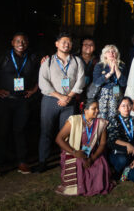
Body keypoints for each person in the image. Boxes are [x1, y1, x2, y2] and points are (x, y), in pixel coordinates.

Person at [0, 32, 39, 177]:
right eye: (17, 41)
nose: (20, 43)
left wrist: (34, 89)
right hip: (4, 100)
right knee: (1, 132)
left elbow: (41, 74)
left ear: (27, 43)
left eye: (23, 41)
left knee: (20, 131)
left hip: (22, 101)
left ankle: (22, 162)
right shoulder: (3, 57)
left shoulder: (33, 58)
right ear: (12, 42)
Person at [38, 32, 86, 173]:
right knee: (46, 131)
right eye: (63, 42)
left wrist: (69, 97)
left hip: (69, 101)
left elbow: (80, 80)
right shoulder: (48, 61)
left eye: (69, 42)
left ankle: (64, 160)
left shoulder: (77, 61)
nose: (66, 44)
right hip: (50, 100)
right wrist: (59, 96)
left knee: (66, 133)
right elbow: (43, 82)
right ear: (57, 44)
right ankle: (43, 161)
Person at [55, 100, 113, 195]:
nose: (97, 111)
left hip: (92, 153)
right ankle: (82, 187)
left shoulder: (101, 123)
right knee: (80, 162)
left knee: (100, 163)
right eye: (94, 108)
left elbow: (102, 144)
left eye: (98, 108)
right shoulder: (74, 120)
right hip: (74, 151)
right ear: (85, 110)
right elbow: (59, 139)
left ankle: (94, 187)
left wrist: (92, 158)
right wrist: (74, 152)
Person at [106, 97, 134, 183]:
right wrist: (127, 145)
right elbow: (112, 139)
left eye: (128, 105)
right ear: (118, 108)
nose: (126, 108)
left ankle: (123, 174)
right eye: (123, 106)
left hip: (132, 154)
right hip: (118, 153)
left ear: (131, 107)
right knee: (122, 160)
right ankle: (115, 173)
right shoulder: (113, 120)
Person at [92, 45, 127, 122]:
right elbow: (97, 83)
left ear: (117, 54)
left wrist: (116, 69)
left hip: (116, 93)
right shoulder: (99, 65)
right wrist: (110, 73)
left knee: (114, 117)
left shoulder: (122, 65)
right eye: (108, 51)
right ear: (104, 54)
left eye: (113, 51)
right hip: (102, 95)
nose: (111, 53)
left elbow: (123, 83)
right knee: (101, 118)